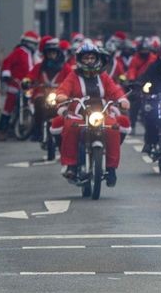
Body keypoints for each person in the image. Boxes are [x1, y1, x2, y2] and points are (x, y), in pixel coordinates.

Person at [52, 42, 130, 186]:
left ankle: (111, 169)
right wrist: (61, 96)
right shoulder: (73, 75)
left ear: (97, 59)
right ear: (80, 60)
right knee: (71, 126)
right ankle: (71, 165)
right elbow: (63, 90)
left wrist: (122, 100)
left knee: (113, 129)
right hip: (79, 112)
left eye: (92, 58)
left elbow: (115, 90)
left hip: (101, 112)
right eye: (86, 58)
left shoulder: (104, 76)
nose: (89, 61)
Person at [0, 30, 40, 139]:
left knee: (31, 104)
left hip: (28, 86)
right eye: (34, 44)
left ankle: (31, 128)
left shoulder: (32, 55)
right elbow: (7, 62)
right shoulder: (19, 51)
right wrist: (7, 75)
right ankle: (2, 129)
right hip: (15, 85)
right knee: (8, 108)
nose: (34, 46)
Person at [25, 38, 69, 141]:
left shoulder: (65, 67)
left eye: (53, 53)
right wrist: (26, 81)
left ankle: (64, 131)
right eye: (49, 53)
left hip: (59, 95)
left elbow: (71, 78)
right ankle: (37, 132)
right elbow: (30, 76)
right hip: (42, 94)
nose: (51, 55)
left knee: (64, 110)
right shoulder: (39, 66)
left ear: (58, 54)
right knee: (38, 105)